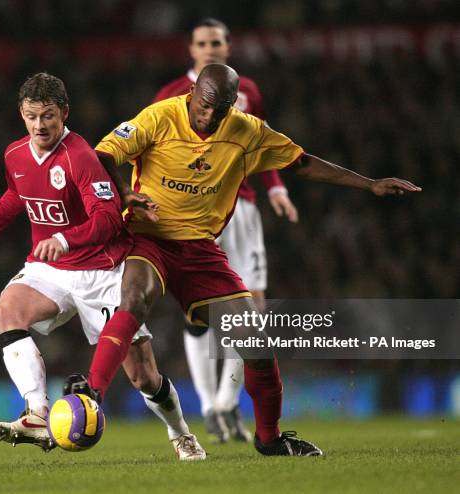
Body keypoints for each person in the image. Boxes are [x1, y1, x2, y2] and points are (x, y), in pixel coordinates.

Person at [66, 63, 421, 457]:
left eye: (220, 109)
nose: (209, 116)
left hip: (201, 251)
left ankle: (269, 438)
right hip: (147, 237)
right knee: (134, 297)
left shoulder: (246, 131)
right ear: (192, 92)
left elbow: (300, 162)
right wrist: (121, 194)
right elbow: (100, 156)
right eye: (204, 105)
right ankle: (91, 393)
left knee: (256, 342)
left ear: (232, 104)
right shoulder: (159, 116)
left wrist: (368, 183)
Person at [0, 72, 205, 460]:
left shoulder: (79, 156)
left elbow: (109, 219)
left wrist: (64, 238)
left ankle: (181, 434)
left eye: (48, 116)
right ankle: (36, 413)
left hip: (101, 270)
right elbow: (18, 197)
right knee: (6, 312)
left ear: (64, 113)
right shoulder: (15, 154)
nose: (39, 125)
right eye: (32, 116)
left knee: (144, 377)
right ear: (21, 114)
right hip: (49, 268)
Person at [152, 18, 298, 443]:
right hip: (195, 209)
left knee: (253, 310)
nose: (210, 48)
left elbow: (266, 147)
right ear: (191, 49)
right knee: (200, 312)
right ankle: (210, 405)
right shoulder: (169, 95)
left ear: (229, 46)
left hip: (244, 207)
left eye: (217, 41)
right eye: (202, 42)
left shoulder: (247, 91)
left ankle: (226, 402)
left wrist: (276, 189)